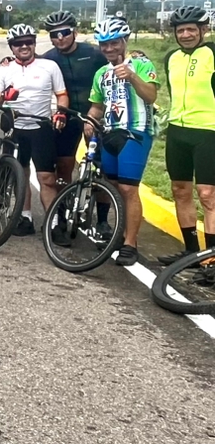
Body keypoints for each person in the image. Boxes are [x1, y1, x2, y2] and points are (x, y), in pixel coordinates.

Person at [84, 18, 158, 266]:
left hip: (135, 132)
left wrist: (133, 77)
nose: (108, 49)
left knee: (129, 189)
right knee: (113, 187)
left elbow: (151, 95)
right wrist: (89, 121)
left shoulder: (141, 63)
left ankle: (131, 243)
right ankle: (120, 235)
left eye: (113, 43)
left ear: (124, 41)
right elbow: (97, 106)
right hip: (109, 133)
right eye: (103, 45)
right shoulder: (100, 73)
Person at [0, 23, 68, 236]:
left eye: (28, 42)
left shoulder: (49, 66)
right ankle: (25, 218)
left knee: (47, 179)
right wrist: (6, 95)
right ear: (11, 47)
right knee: (19, 176)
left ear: (34, 44)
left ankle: (52, 224)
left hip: (41, 128)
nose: (24, 46)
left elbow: (62, 94)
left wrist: (61, 112)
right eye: (18, 43)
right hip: (14, 129)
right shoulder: (3, 69)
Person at [159, 5, 215, 265]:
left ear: (204, 30)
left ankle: (212, 258)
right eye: (180, 30)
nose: (186, 34)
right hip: (178, 131)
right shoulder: (171, 57)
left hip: (208, 131)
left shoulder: (212, 52)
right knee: (180, 190)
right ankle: (191, 252)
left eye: (192, 29)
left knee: (207, 194)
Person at [40, 10, 107, 187]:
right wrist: (8, 60)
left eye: (65, 32)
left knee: (101, 170)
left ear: (75, 33)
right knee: (63, 167)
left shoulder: (94, 53)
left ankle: (101, 215)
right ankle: (64, 211)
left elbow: (116, 66)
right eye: (55, 34)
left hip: (96, 115)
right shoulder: (48, 59)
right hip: (67, 117)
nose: (60, 38)